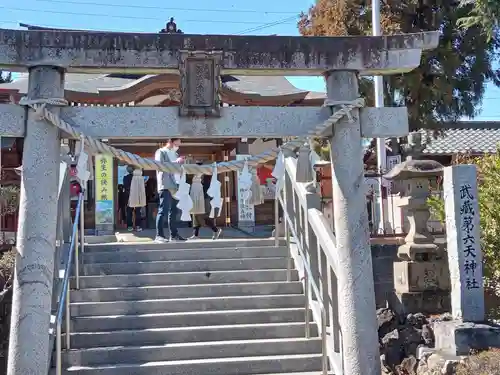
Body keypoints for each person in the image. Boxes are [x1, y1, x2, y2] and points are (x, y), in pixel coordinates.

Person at [154, 138, 187, 242]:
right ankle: (159, 235)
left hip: (176, 185)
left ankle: (174, 235)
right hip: (165, 184)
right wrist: (175, 162)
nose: (179, 145)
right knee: (163, 210)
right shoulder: (161, 152)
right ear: (171, 142)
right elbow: (159, 166)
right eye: (178, 142)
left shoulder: (176, 154)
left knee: (173, 212)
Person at [189, 161, 222, 240]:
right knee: (195, 215)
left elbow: (208, 186)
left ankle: (216, 230)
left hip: (204, 197)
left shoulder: (206, 174)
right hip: (195, 197)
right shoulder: (194, 176)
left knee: (203, 216)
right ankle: (195, 235)